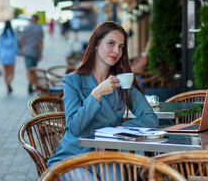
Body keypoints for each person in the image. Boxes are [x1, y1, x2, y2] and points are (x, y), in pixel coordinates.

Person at [47, 21, 158, 178]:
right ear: (96, 44)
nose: (116, 51)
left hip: (106, 156)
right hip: (74, 157)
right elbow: (74, 128)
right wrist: (96, 94)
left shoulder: (122, 81)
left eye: (121, 47)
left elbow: (150, 118)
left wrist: (117, 130)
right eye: (111, 43)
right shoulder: (73, 81)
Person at [20, 14, 44, 94]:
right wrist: (40, 52)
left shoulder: (26, 28)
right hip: (35, 51)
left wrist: (21, 49)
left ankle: (30, 83)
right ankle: (32, 84)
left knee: (28, 69)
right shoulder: (39, 29)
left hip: (27, 50)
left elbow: (22, 38)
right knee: (33, 69)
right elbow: (40, 42)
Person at [0, 20, 18, 94]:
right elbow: (15, 46)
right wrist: (17, 52)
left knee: (6, 72)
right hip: (11, 55)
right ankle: (9, 83)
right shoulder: (13, 34)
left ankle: (7, 88)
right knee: (11, 72)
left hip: (4, 55)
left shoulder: (2, 34)